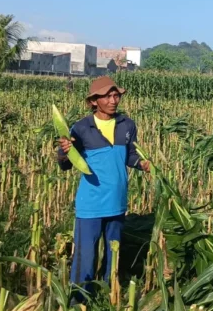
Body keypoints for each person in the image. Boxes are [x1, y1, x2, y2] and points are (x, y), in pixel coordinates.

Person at [57, 76, 151, 299]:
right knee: (85, 256)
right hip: (91, 204)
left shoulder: (127, 125)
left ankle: (109, 297)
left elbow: (130, 156)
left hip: (117, 202)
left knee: (113, 256)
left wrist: (142, 163)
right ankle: (79, 300)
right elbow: (66, 164)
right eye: (107, 96)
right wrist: (63, 151)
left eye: (116, 95)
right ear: (93, 101)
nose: (113, 100)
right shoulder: (81, 128)